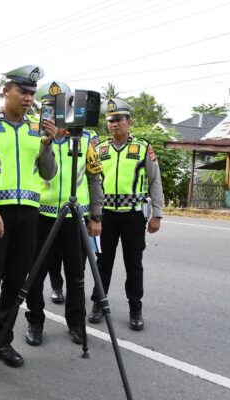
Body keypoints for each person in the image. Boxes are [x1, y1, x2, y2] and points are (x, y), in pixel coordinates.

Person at [0, 65, 57, 379]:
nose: (29, 98)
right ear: (7, 91)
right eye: (23, 92)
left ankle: (2, 342)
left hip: (29, 215)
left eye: (32, 93)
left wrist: (47, 144)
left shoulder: (36, 128)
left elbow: (48, 173)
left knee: (16, 284)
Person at [23, 81, 103, 346]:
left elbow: (94, 178)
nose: (52, 114)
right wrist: (46, 139)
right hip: (41, 216)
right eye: (47, 107)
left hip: (74, 218)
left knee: (76, 275)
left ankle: (76, 323)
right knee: (35, 275)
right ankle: (35, 322)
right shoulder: (30, 135)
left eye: (57, 108)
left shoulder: (85, 138)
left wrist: (96, 215)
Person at [88, 98, 164, 331]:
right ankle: (99, 304)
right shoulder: (99, 149)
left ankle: (135, 308)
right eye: (110, 120)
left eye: (119, 119)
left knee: (134, 264)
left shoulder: (142, 148)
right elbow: (91, 182)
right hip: (106, 216)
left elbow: (155, 181)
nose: (114, 124)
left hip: (133, 217)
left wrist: (157, 214)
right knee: (103, 263)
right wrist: (93, 215)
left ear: (129, 121)